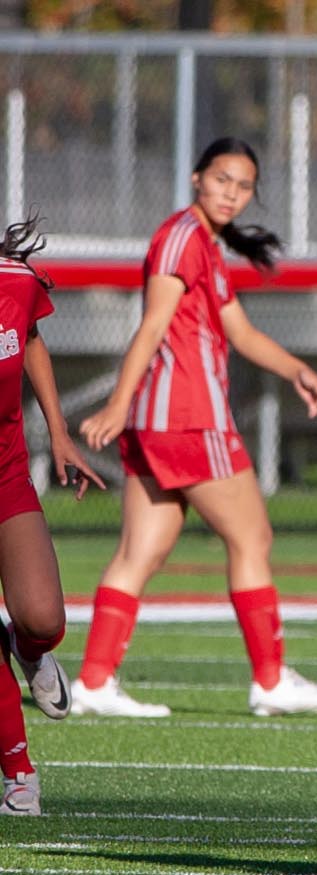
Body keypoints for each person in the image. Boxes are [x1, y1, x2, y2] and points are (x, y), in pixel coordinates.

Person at [72, 137, 317, 719]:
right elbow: (151, 326)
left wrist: (297, 369)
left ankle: (94, 681)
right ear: (196, 178)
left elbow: (241, 334)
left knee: (139, 552)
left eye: (244, 185)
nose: (232, 192)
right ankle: (271, 681)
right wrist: (117, 402)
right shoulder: (180, 238)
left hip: (160, 423)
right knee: (252, 540)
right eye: (222, 179)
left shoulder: (202, 242)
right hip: (190, 421)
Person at [0, 215, 107, 814]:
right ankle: (20, 775)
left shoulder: (13, 281)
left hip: (7, 474)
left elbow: (32, 340)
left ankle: (31, 648)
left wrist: (59, 433)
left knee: (42, 617)